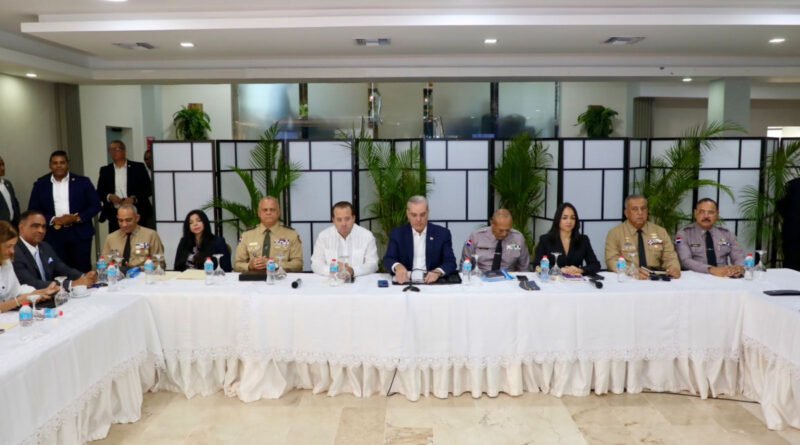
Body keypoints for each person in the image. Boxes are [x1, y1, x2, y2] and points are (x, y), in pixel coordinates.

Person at [27, 150, 101, 273]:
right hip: (53, 235)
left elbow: (95, 205)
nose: (59, 166)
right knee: (58, 271)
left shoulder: (83, 182)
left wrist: (77, 218)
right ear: (50, 165)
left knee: (82, 270)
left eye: (62, 162)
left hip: (80, 234)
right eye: (55, 163)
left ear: (67, 164)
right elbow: (33, 210)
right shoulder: (41, 184)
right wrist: (54, 219)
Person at [13, 210, 97, 290]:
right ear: (21, 228)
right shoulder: (14, 251)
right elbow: (31, 284)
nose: (41, 231)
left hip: (49, 296)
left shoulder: (45, 247)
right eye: (35, 226)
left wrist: (84, 276)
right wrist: (71, 284)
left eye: (43, 227)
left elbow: (63, 269)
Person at [383, 195, 457, 284]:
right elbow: (388, 259)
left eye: (422, 214)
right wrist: (397, 266)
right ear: (408, 214)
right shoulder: (397, 234)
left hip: (432, 283)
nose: (418, 219)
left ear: (428, 213)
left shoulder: (442, 234)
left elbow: (450, 262)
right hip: (405, 281)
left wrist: (437, 272)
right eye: (414, 215)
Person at [605, 195, 681, 279]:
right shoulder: (615, 233)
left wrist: (674, 268)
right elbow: (612, 260)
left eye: (643, 208)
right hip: (629, 279)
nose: (640, 212)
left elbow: (670, 257)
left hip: (655, 278)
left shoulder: (660, 232)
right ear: (626, 213)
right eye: (635, 209)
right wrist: (631, 271)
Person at [675, 198, 745, 277]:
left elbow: (739, 256)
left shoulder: (727, 234)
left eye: (711, 212)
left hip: (723, 277)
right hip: (696, 277)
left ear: (717, 214)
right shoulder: (683, 234)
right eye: (702, 212)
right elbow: (685, 261)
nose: (706, 216)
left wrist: (739, 268)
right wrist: (711, 269)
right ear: (695, 213)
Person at [0, 221, 58, 313]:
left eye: (13, 246)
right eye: (8, 246)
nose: (12, 251)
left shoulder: (6, 262)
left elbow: (16, 292)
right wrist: (19, 301)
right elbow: (17, 299)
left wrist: (42, 291)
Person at [234, 196, 303, 272]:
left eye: (272, 210)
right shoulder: (247, 235)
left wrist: (274, 264)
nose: (268, 212)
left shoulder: (291, 234)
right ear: (259, 213)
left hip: (280, 277)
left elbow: (298, 264)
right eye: (265, 210)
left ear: (279, 213)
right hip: (254, 277)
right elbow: (237, 264)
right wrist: (250, 266)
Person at [97, 140, 154, 231]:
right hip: (115, 214)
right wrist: (109, 196)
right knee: (117, 239)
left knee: (140, 239)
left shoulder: (138, 167)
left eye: (116, 149)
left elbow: (148, 189)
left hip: (137, 212)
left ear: (124, 151)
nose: (113, 152)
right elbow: (99, 192)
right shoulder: (105, 170)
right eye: (111, 150)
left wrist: (134, 199)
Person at [310, 201, 378, 277]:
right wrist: (335, 269)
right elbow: (315, 264)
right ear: (333, 220)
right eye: (339, 220)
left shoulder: (367, 236)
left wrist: (352, 270)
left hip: (359, 280)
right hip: (332, 280)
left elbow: (373, 264)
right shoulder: (323, 236)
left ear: (353, 218)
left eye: (347, 219)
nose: (343, 224)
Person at [533, 203, 601, 276]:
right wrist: (560, 270)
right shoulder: (545, 240)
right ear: (558, 219)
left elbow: (595, 265)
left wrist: (580, 270)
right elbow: (537, 266)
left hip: (575, 280)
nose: (569, 221)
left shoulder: (583, 240)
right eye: (564, 218)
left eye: (572, 218)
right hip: (553, 280)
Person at [463, 208, 530, 272]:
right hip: (481, 275)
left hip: (509, 277)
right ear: (492, 223)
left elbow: (524, 267)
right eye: (501, 230)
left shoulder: (518, 238)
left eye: (507, 230)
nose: (504, 234)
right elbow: (465, 261)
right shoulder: (474, 237)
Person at [102, 204, 164, 271]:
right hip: (117, 275)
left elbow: (160, 264)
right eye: (120, 220)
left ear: (137, 218)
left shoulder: (150, 235)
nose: (124, 224)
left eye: (128, 220)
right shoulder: (111, 238)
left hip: (143, 275)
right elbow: (104, 263)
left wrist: (139, 269)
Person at [778, 177, 800, 271]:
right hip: (793, 234)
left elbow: (781, 206)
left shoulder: (792, 184)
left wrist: (791, 218)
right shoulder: (791, 185)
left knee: (791, 267)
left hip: (793, 232)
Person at [0, 155, 21, 227]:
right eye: (0, 165)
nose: (2, 168)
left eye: (3, 164)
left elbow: (15, 203)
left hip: (13, 226)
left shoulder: (7, 184)